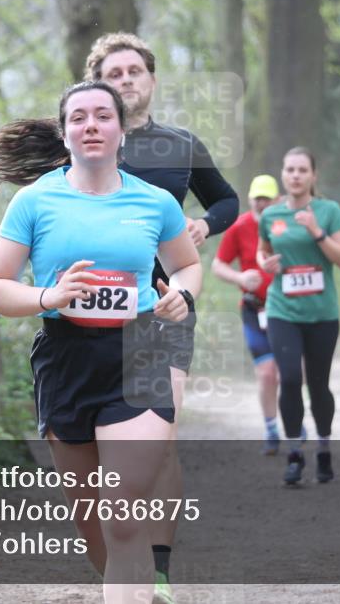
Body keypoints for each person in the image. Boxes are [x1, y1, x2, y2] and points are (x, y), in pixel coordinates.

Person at [0, 81, 202, 604]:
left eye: (103, 116)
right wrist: (49, 296)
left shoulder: (154, 202)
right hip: (66, 360)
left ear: (121, 130)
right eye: (79, 117)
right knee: (95, 524)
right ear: (65, 133)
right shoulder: (34, 201)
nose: (92, 125)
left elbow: (187, 265)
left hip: (140, 353)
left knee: (124, 514)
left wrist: (182, 297)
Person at [85, 32, 238, 601]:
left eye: (135, 72)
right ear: (100, 83)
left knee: (158, 440)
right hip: (92, 312)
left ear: (151, 81)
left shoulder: (179, 144)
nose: (126, 80)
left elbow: (226, 200)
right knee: (104, 446)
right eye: (114, 73)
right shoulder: (83, 139)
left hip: (165, 308)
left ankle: (158, 571)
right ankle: (120, 554)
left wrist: (201, 226)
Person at [257, 147, 340, 484]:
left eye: (302, 170)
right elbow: (264, 250)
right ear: (283, 174)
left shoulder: (329, 211)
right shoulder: (270, 215)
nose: (295, 175)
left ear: (313, 176)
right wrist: (262, 262)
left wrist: (316, 231)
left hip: (322, 313)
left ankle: (323, 446)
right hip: (282, 309)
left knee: (318, 385)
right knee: (290, 380)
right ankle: (295, 452)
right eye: (290, 169)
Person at [211, 174, 280, 454]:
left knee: (289, 373)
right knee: (266, 373)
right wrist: (240, 278)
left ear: (276, 200)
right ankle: (272, 428)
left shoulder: (286, 224)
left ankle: (294, 421)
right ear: (250, 199)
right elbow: (218, 265)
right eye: (257, 198)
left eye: (267, 198)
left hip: (287, 311)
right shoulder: (239, 227)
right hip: (254, 309)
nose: (262, 203)